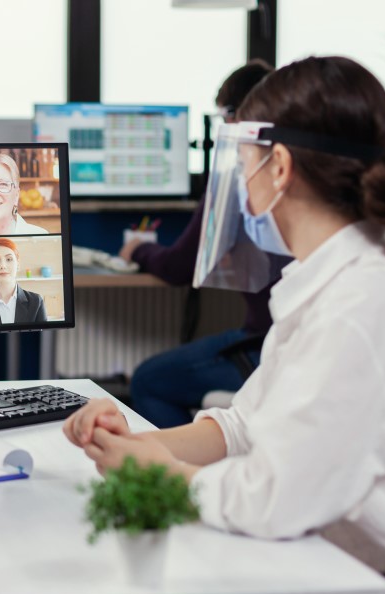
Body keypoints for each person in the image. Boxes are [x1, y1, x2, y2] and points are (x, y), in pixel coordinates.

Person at [64, 56, 385, 594]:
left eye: (244, 163)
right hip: (331, 577)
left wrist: (154, 472)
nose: (240, 185)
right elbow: (244, 425)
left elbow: (271, 500)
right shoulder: (325, 283)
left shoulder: (361, 307)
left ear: (279, 167)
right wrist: (135, 442)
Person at [121, 60, 276, 428]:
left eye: (225, 118)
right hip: (286, 343)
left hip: (266, 346)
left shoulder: (240, 178)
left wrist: (138, 250)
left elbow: (177, 267)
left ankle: (179, 476)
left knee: (147, 381)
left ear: (239, 117)